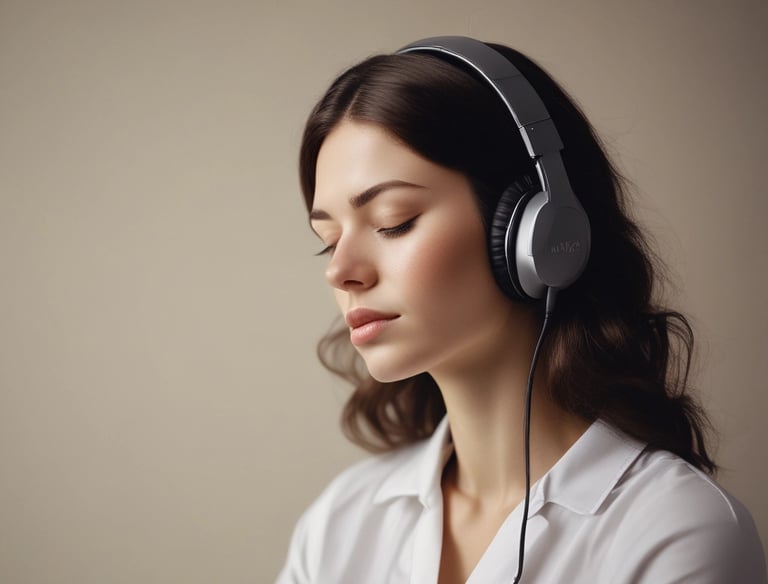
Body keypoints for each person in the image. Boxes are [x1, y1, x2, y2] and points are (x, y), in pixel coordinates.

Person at [276, 36, 767, 583]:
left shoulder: (677, 533)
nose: (340, 271)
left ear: (537, 232)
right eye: (328, 240)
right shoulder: (339, 525)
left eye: (394, 221)